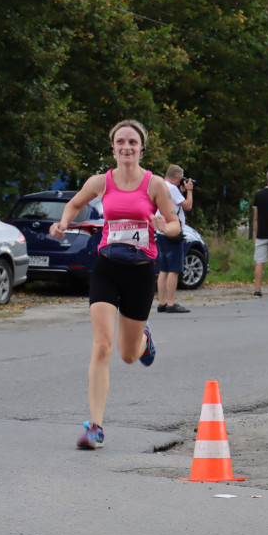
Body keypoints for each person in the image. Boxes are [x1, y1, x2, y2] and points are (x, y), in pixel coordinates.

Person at [48, 120, 181, 450]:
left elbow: (175, 224)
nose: (126, 146)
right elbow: (75, 203)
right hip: (107, 268)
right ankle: (95, 427)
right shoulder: (100, 181)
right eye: (120, 141)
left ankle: (143, 342)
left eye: (132, 142)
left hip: (140, 271)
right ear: (112, 147)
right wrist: (63, 223)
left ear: (141, 147)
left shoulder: (155, 185)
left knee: (127, 355)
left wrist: (167, 226)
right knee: (102, 345)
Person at [156, 164, 193, 314]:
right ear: (177, 177)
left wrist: (181, 191)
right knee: (174, 269)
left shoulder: (160, 186)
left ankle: (162, 302)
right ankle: (171, 303)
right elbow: (188, 206)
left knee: (164, 269)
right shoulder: (172, 188)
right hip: (172, 232)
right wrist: (189, 191)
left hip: (160, 232)